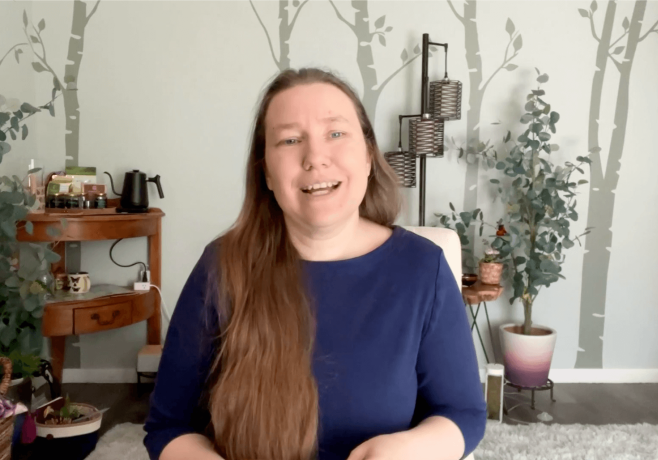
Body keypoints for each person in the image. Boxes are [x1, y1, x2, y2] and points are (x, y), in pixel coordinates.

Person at [143, 67, 486, 460]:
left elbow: (462, 413)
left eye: (336, 134)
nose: (315, 158)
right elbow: (167, 426)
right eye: (290, 140)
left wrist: (405, 449)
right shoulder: (221, 267)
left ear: (369, 157)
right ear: (267, 174)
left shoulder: (423, 268)